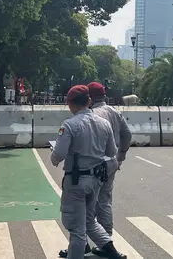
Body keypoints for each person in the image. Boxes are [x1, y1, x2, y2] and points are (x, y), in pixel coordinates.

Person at [50, 85, 127, 259]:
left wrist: (54, 154)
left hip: (76, 181)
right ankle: (112, 252)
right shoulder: (104, 123)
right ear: (89, 101)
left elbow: (58, 155)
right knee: (89, 220)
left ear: (69, 104)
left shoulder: (69, 125)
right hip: (96, 180)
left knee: (76, 228)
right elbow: (110, 153)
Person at [86, 82, 132, 257]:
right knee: (104, 201)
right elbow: (127, 135)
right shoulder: (114, 112)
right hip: (111, 163)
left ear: (89, 98)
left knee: (85, 203)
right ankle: (106, 239)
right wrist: (120, 156)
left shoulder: (91, 114)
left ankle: (84, 242)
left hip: (94, 165)